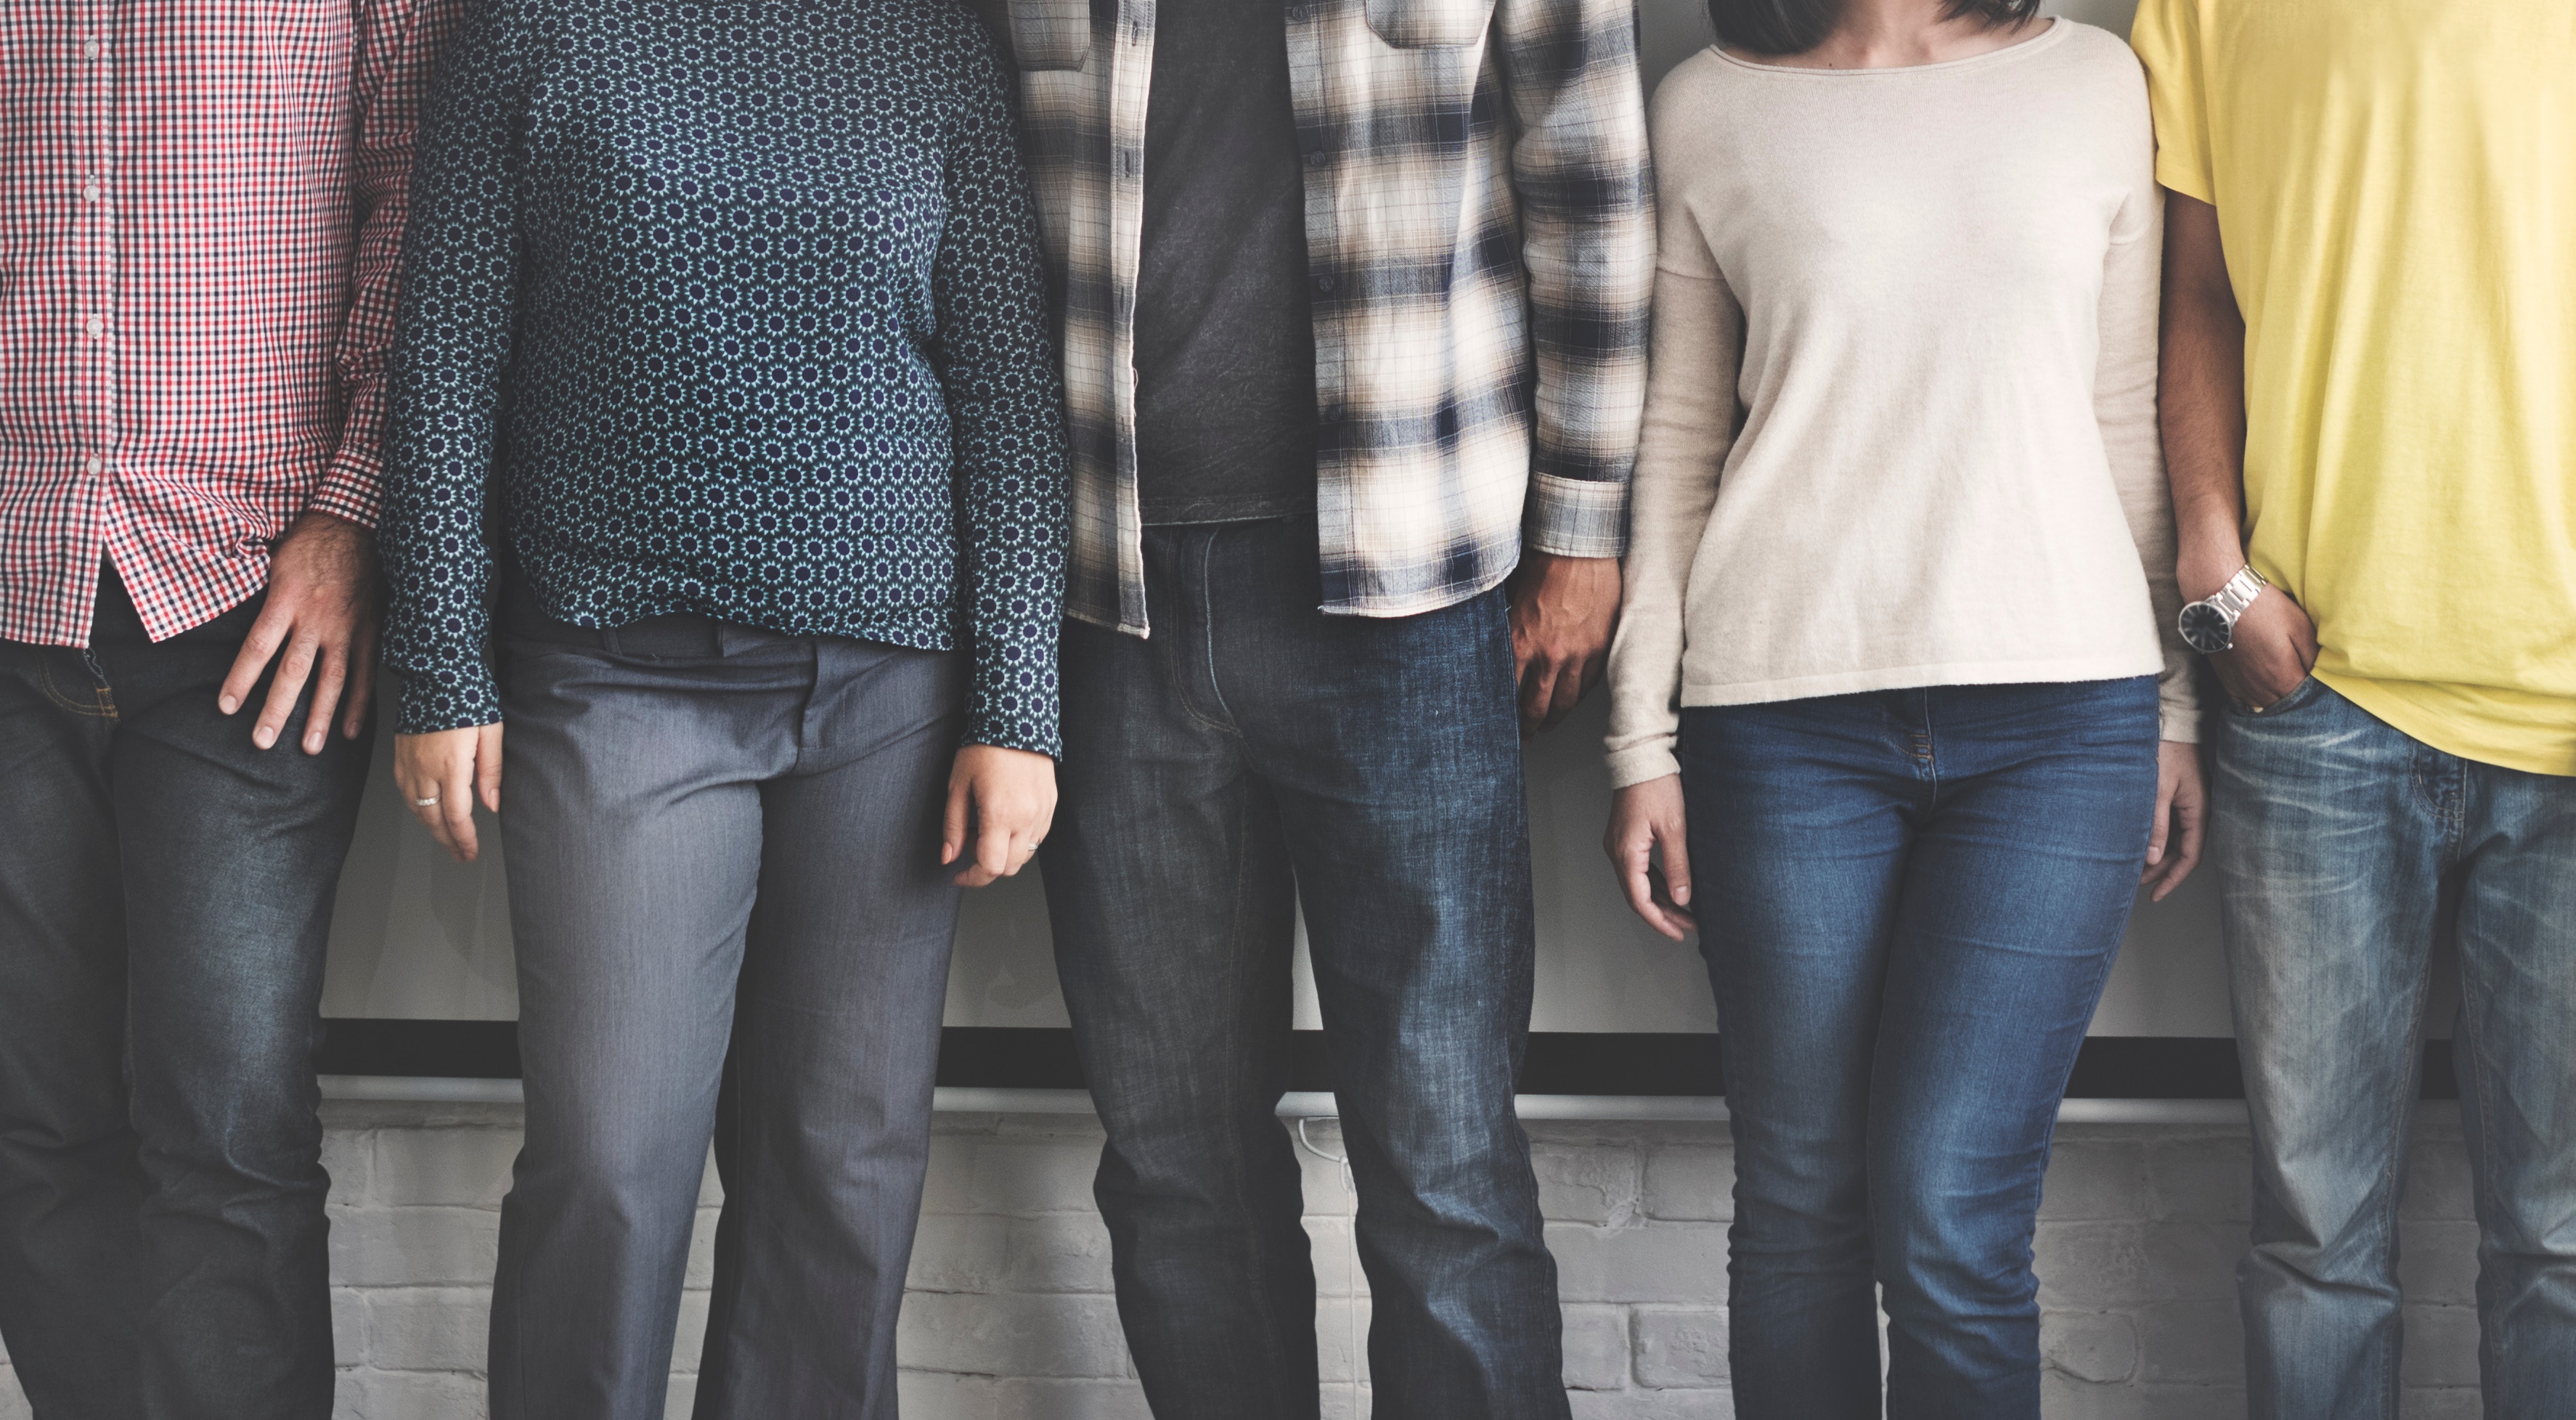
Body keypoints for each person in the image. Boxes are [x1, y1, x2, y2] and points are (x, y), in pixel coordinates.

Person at [378, 1, 1067, 1414]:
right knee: (611, 1156)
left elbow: (1006, 390)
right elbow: (446, 353)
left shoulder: (932, 36)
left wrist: (1020, 704)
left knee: (843, 1162)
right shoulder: (527, 29)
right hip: (615, 669)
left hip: (894, 685)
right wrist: (438, 660)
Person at [985, 0, 1650, 1411]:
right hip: (1109, 607)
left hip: (1402, 605)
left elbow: (1588, 173)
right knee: (1172, 1164)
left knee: (1442, 1159)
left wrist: (1585, 530)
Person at [1602, 0, 2206, 1413]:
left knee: (1949, 1214)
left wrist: (2174, 707)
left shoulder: (2092, 83)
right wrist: (1640, 739)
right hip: (1780, 719)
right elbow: (1678, 439)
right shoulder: (1709, 103)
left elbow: (2128, 415)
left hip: (2062, 724)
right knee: (1802, 1201)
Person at [0, 4, 460, 1414]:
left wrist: (354, 511)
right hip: (12, 596)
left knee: (223, 1136)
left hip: (249, 613)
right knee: (35, 1130)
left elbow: (421, 205)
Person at [2129, 4, 2576, 1415]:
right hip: (2309, 697)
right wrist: (2208, 557)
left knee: (2561, 1243)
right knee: (2315, 1243)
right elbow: (2190, 288)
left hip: (2566, 716)